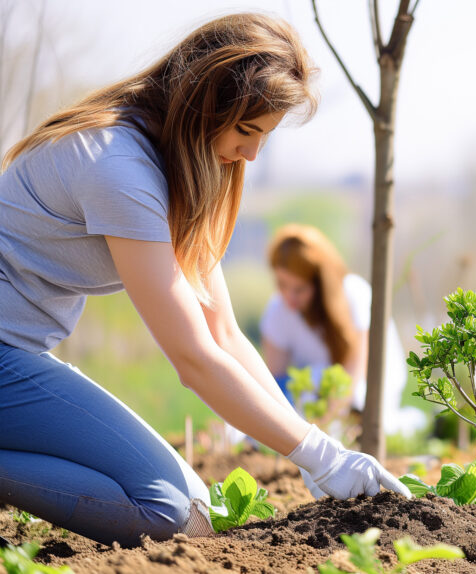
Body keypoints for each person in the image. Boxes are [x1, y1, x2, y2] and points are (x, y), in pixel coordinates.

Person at [0, 13, 409, 548]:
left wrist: (316, 448)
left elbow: (223, 332)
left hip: (18, 352)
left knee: (192, 510)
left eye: (264, 136)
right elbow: (194, 358)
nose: (252, 154)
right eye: (245, 131)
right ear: (201, 101)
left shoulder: (176, 166)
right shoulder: (117, 167)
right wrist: (316, 454)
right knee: (168, 516)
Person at [261, 223, 425, 435]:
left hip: (360, 391)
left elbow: (353, 376)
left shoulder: (354, 294)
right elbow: (277, 382)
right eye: (282, 285)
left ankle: (410, 423)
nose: (289, 298)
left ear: (319, 284)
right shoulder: (277, 311)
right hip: (315, 395)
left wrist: (320, 428)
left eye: (299, 289)